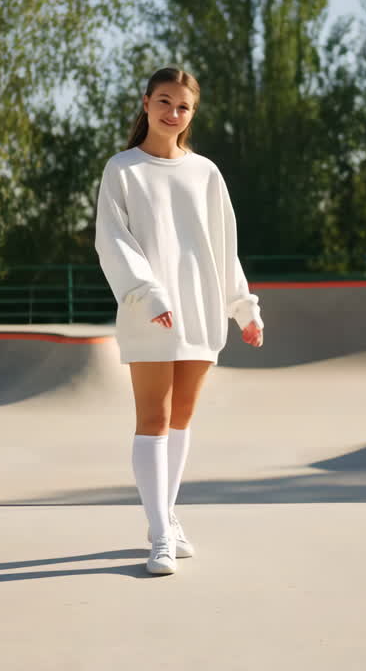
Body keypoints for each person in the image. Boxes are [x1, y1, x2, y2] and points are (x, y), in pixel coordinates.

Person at [94, 67, 265, 575]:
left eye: (183, 106)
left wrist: (243, 308)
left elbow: (222, 247)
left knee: (182, 418)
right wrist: (147, 296)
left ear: (192, 113)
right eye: (164, 101)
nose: (173, 113)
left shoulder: (206, 172)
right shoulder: (122, 169)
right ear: (145, 103)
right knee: (152, 419)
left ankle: (164, 517)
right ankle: (161, 536)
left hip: (201, 310)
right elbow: (113, 240)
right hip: (149, 312)